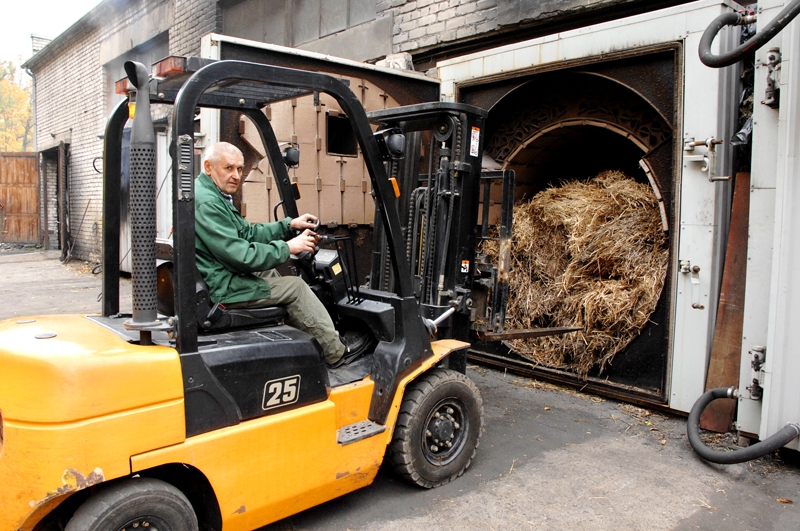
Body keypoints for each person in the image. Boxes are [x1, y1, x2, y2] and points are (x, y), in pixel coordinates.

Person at [194, 142, 347, 366]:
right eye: (229, 168)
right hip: (222, 286)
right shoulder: (207, 203)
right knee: (295, 287)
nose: (236, 175)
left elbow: (246, 233)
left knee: (268, 271)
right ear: (208, 167)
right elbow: (242, 257)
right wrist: (289, 247)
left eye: (240, 169)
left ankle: (299, 342)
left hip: (218, 273)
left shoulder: (212, 195)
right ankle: (336, 354)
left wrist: (288, 225)